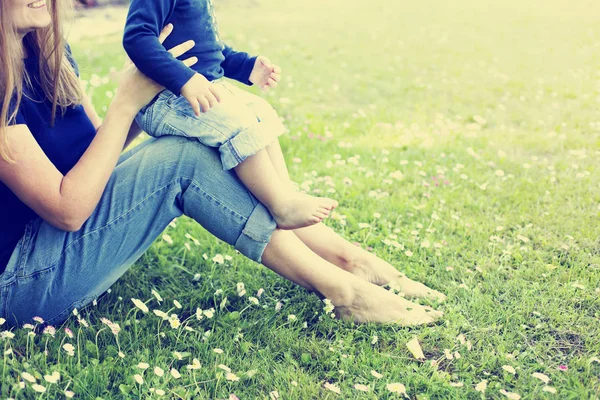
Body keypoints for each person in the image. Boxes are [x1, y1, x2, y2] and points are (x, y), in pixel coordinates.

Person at [0, 0, 445, 328]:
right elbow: (69, 209)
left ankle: (349, 260)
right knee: (184, 159)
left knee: (208, 131)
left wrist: (148, 98)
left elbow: (96, 154)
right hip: (24, 280)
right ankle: (342, 290)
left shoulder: (49, 54)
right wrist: (124, 103)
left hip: (58, 241)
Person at [123, 0, 339, 230]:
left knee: (260, 110)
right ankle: (281, 206)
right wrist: (184, 78)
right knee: (236, 121)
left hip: (198, 89)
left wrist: (247, 66)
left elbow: (208, 50)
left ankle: (286, 193)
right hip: (164, 97)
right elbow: (137, 38)